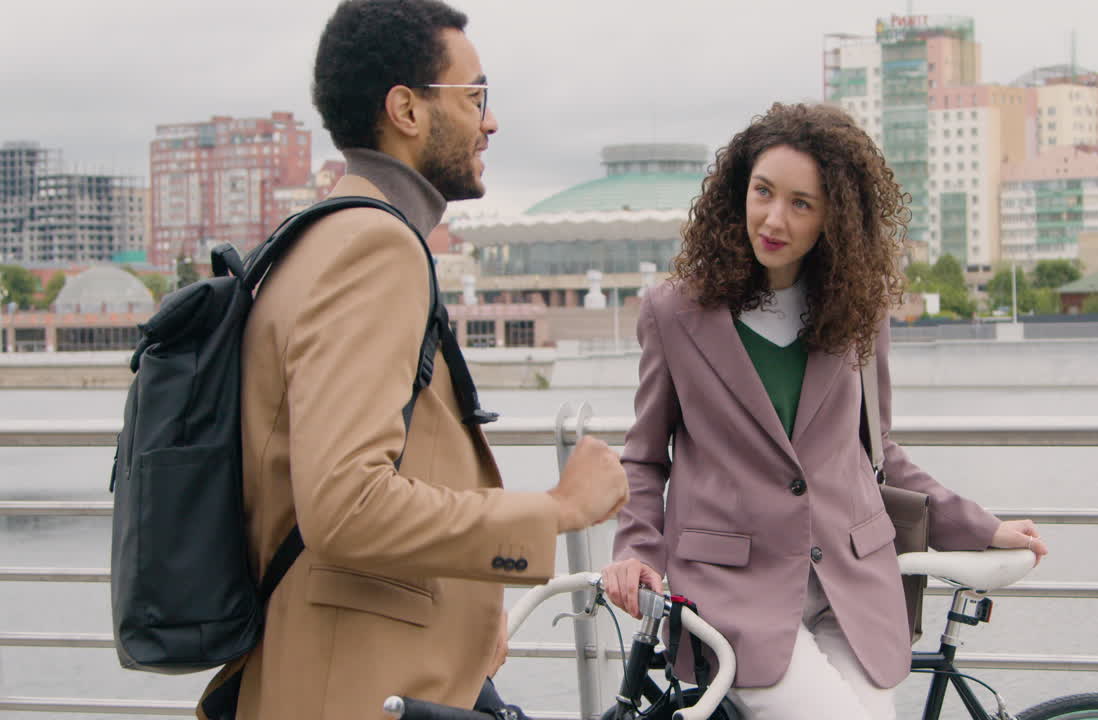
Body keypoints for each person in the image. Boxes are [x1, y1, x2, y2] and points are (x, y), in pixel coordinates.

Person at [197, 1, 629, 717]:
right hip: (356, 690)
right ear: (406, 109)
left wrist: (467, 607)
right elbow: (346, 505)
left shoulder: (317, 236)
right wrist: (557, 508)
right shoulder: (374, 248)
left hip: (346, 669)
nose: (491, 122)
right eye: (475, 97)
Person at [602, 103, 1048, 719]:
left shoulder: (858, 313)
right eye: (763, 192)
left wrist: (979, 526)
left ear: (834, 218)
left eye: (801, 203)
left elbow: (877, 453)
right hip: (733, 594)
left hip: (852, 585)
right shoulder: (673, 313)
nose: (773, 219)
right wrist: (635, 551)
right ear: (739, 191)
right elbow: (646, 458)